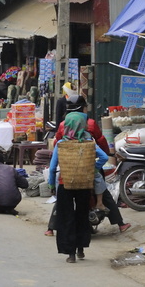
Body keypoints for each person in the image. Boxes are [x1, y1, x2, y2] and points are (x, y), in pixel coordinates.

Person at [45, 97, 130, 237]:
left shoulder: (63, 124)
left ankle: (50, 228)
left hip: (68, 168)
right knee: (104, 191)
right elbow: (101, 141)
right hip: (88, 164)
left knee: (62, 195)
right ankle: (120, 223)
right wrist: (99, 160)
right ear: (83, 108)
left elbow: (57, 145)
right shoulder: (89, 123)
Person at [48, 112, 107, 263]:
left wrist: (50, 183)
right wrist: (92, 169)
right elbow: (104, 157)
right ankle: (81, 249)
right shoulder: (89, 142)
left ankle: (71, 254)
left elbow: (53, 167)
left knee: (66, 217)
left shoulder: (61, 144)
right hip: (84, 184)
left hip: (64, 183)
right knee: (81, 215)